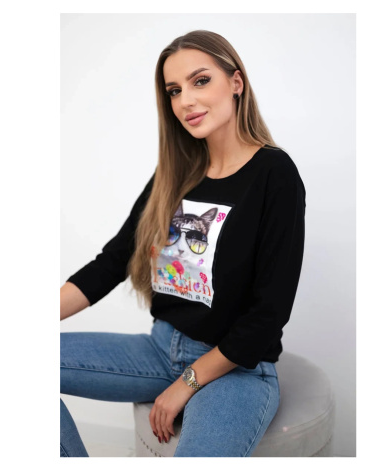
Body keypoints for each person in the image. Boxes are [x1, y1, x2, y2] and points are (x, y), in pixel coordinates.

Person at [60, 29, 306, 457]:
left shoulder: (274, 174)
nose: (186, 100)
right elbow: (112, 262)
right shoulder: (176, 173)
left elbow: (268, 315)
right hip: (161, 348)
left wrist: (187, 383)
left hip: (236, 368)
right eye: (174, 91)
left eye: (200, 81)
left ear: (236, 82)